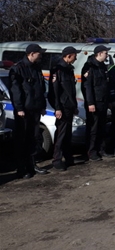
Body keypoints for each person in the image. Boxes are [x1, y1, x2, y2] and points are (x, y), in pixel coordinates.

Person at [8, 43, 49, 179]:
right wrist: (19, 108)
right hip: (24, 110)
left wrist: (42, 106)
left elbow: (40, 89)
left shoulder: (37, 68)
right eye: (39, 53)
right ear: (31, 54)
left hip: (35, 109)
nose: (41, 55)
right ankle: (22, 168)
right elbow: (16, 91)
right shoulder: (18, 68)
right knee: (22, 140)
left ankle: (32, 165)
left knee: (34, 138)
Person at [48, 46, 81, 170]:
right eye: (74, 55)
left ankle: (68, 157)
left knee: (68, 134)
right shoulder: (58, 70)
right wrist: (57, 108)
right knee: (61, 134)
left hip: (69, 106)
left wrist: (75, 106)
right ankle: (57, 159)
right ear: (68, 56)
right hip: (62, 106)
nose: (76, 58)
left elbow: (72, 91)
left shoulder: (69, 70)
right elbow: (54, 92)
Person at [82, 45, 111, 161]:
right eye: (105, 53)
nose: (107, 55)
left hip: (103, 101)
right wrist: (90, 103)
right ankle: (91, 151)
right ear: (99, 54)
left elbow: (105, 85)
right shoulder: (89, 67)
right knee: (93, 128)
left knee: (102, 127)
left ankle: (101, 149)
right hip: (94, 102)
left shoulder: (103, 66)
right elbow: (87, 86)